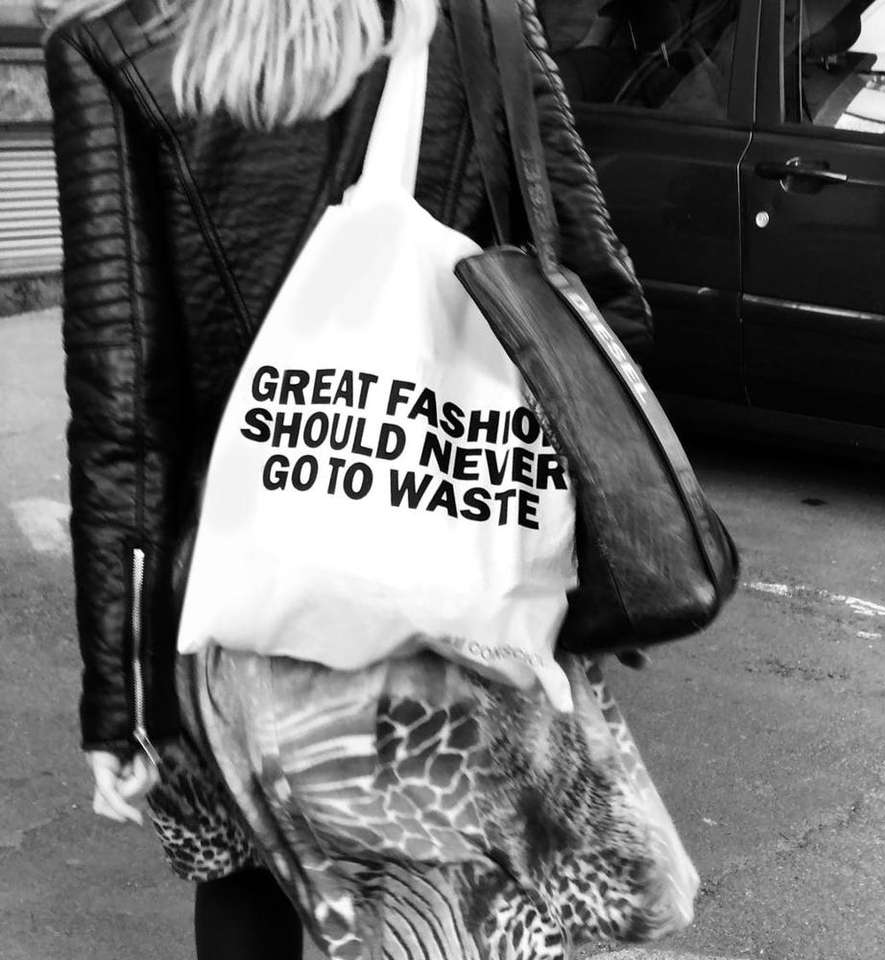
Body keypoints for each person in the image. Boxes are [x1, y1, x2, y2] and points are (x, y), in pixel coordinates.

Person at [44, 0, 699, 957]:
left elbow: (124, 413)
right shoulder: (479, 20)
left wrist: (122, 700)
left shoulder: (115, 45)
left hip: (222, 595)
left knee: (243, 881)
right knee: (441, 910)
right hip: (446, 583)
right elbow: (599, 307)